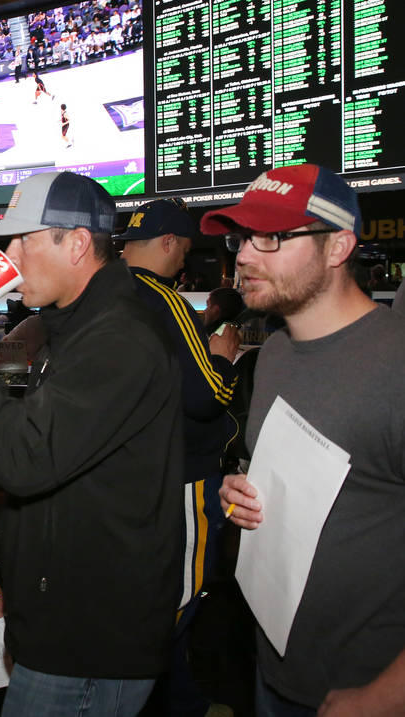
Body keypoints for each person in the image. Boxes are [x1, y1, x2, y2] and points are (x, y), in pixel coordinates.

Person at [0, 171, 184, 717]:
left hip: (90, 642)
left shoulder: (118, 340)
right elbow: (65, 477)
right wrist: (18, 575)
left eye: (23, 240)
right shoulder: (81, 330)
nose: (9, 256)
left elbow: (24, 458)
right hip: (67, 615)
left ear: (78, 244)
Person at [210, 163, 405, 717]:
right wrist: (243, 493)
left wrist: (382, 698)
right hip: (276, 676)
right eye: (242, 237)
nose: (245, 255)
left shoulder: (396, 366)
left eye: (271, 237)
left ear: (339, 246)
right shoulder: (272, 356)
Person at [118, 198, 240, 717]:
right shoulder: (163, 299)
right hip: (182, 474)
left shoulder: (101, 292)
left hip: (127, 476)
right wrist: (225, 360)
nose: (184, 265)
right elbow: (206, 395)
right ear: (168, 244)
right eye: (184, 251)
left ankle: (182, 697)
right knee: (180, 599)